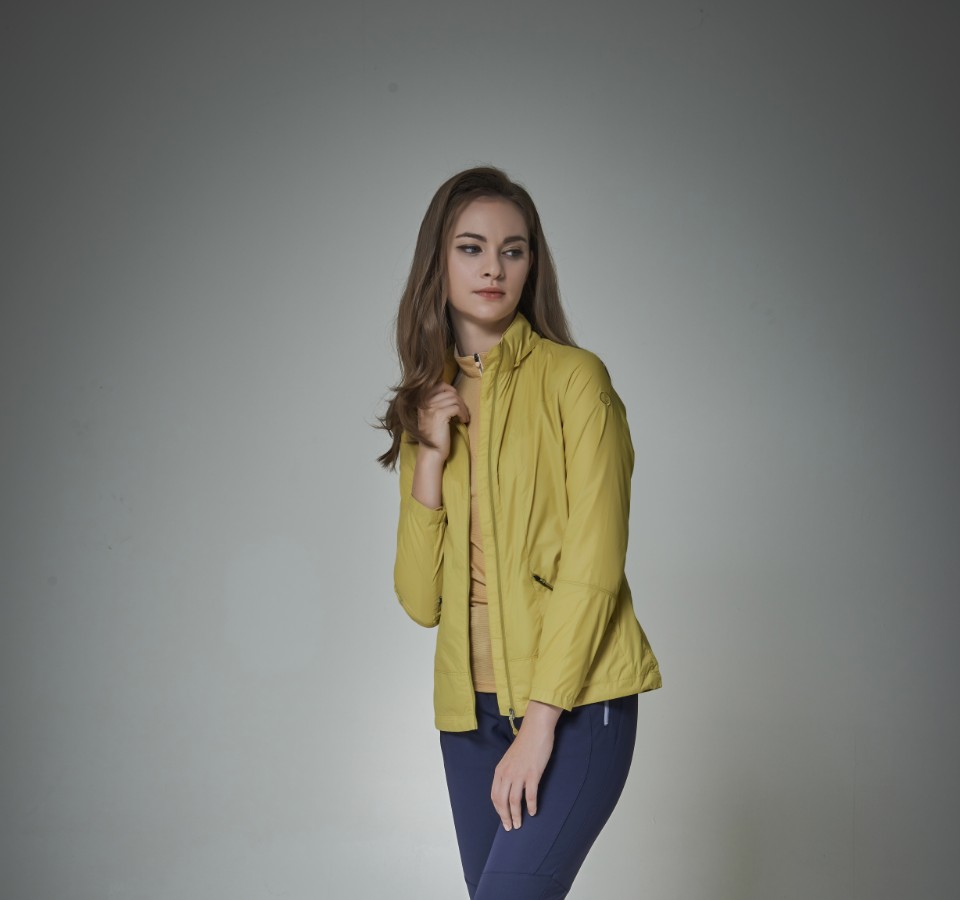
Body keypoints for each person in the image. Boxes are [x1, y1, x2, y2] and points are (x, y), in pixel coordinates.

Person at [378, 166, 662, 899]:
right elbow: (420, 601)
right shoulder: (429, 406)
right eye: (472, 248)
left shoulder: (576, 381)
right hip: (468, 717)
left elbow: (594, 569)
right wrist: (429, 457)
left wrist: (539, 727)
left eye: (514, 250)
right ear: (438, 263)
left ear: (533, 264)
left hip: (577, 705)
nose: (494, 269)